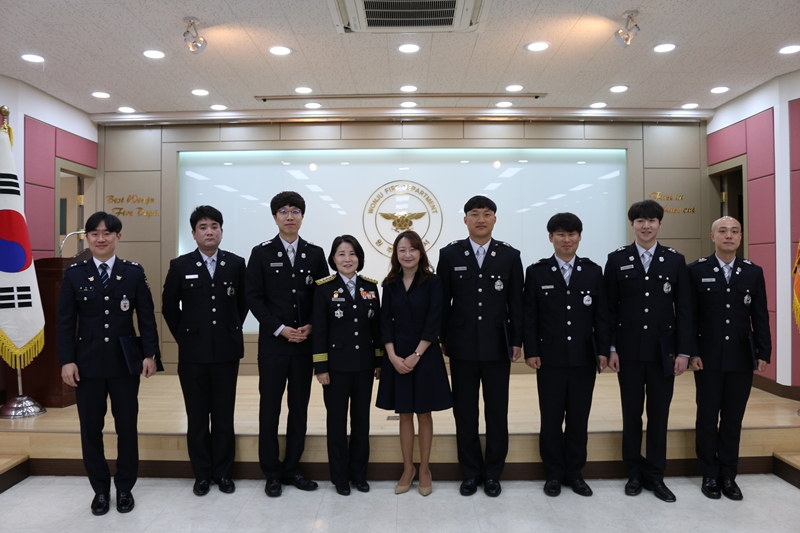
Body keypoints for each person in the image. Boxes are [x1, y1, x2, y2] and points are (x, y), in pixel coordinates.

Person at [57, 211, 159, 515]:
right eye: (94, 234)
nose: (101, 239)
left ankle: (125, 488)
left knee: (127, 426)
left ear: (118, 237)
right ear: (87, 238)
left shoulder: (133, 272)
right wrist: (67, 361)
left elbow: (147, 317)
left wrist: (150, 354)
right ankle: (100, 490)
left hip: (124, 363)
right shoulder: (74, 274)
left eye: (107, 234)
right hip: (86, 364)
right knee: (91, 429)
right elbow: (65, 322)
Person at [604, 199, 692, 502]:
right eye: (640, 220)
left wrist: (684, 352)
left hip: (662, 353)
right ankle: (633, 472)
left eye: (651, 220)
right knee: (631, 414)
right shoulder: (617, 259)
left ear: (659, 224)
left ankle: (655, 475)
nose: (646, 226)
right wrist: (611, 347)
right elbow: (608, 308)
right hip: (627, 352)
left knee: (659, 415)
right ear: (632, 225)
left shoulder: (674, 260)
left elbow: (685, 310)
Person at [437, 196, 523, 497]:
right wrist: (443, 339)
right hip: (461, 346)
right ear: (465, 220)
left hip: (498, 345)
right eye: (474, 214)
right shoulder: (449, 254)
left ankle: (493, 474)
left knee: (497, 411)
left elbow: (516, 303)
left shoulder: (510, 255)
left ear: (495, 219)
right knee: (465, 412)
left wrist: (517, 340)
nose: (481, 219)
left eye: (487, 214)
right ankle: (471, 472)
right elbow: (442, 302)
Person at [246, 191, 329, 497]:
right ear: (275, 217)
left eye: (295, 211)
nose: (290, 216)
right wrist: (280, 329)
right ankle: (271, 472)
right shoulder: (261, 253)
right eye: (283, 211)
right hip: (273, 346)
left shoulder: (315, 253)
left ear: (302, 217)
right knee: (269, 409)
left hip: (304, 346)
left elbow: (324, 295)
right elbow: (253, 297)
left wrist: (312, 325)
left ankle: (293, 467)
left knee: (299, 409)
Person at [162, 205, 248, 496]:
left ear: (221, 231)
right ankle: (201, 474)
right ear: (193, 233)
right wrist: (186, 337)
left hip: (226, 352)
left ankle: (223, 473)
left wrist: (229, 329)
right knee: (197, 416)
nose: (209, 232)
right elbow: (169, 307)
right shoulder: (180, 265)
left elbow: (243, 304)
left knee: (223, 416)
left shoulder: (236, 263)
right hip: (192, 355)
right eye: (203, 227)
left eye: (214, 226)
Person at [523, 212, 610, 497]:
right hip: (549, 359)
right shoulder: (537, 272)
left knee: (578, 419)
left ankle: (574, 473)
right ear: (551, 238)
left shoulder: (593, 271)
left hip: (584, 358)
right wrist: (532, 351)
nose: (566, 239)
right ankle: (553, 474)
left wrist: (603, 351)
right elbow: (530, 316)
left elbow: (602, 316)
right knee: (551, 419)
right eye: (560, 234)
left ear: (580, 237)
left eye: (572, 234)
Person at [687, 216, 771, 500]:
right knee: (707, 418)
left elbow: (760, 315)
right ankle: (709, 474)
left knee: (733, 419)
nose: (729, 235)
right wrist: (692, 352)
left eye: (735, 231)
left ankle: (728, 475)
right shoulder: (696, 270)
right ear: (713, 237)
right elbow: (689, 317)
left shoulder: (752, 272)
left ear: (740, 237)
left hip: (740, 357)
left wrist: (764, 351)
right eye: (722, 231)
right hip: (707, 357)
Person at [376, 230, 453, 496]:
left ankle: (425, 469)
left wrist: (416, 355)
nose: (407, 254)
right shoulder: (390, 283)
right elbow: (384, 321)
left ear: (421, 252)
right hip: (397, 353)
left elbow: (434, 321)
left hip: (425, 353)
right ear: (396, 254)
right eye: (402, 250)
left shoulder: (433, 281)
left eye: (412, 249)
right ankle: (408, 468)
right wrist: (391, 355)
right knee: (405, 413)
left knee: (424, 413)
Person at [312, 235, 382, 496]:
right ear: (333, 259)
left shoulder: (370, 287)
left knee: (361, 422)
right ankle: (340, 478)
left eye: (352, 253)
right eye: (341, 254)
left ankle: (359, 475)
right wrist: (321, 367)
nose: (347, 259)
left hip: (364, 366)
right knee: (337, 424)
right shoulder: (324, 288)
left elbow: (376, 328)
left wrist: (378, 361)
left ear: (359, 258)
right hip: (336, 368)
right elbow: (320, 330)